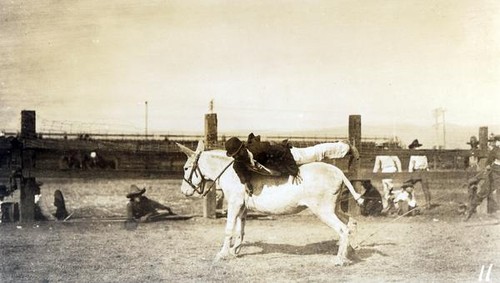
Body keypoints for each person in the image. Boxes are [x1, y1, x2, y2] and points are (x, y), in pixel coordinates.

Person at [225, 134, 301, 196]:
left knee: (310, 155)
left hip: (290, 155)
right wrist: (246, 182)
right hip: (275, 168)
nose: (237, 157)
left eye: (238, 153)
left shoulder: (261, 148)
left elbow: (284, 151)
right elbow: (241, 173)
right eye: (234, 156)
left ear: (243, 147)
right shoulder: (238, 164)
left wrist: (294, 170)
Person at [465, 135, 500, 219]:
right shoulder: (495, 151)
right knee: (484, 192)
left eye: (497, 141)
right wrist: (488, 166)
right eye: (497, 141)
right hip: (494, 175)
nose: (497, 143)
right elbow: (488, 162)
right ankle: (470, 211)